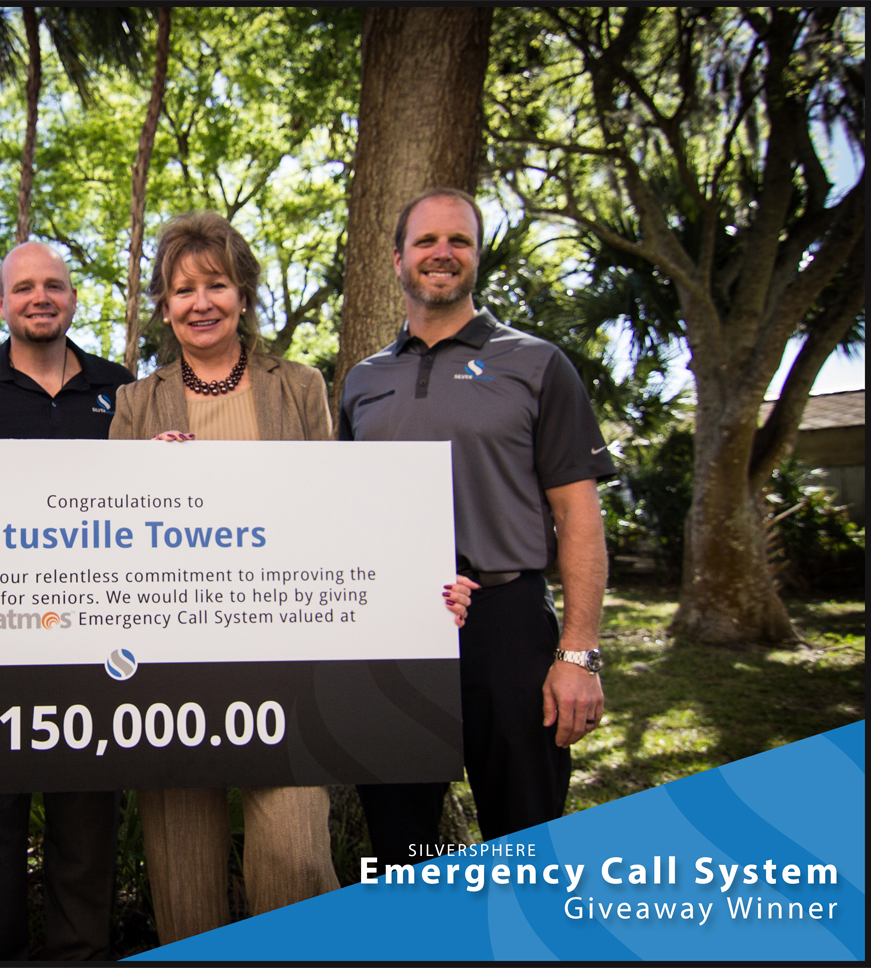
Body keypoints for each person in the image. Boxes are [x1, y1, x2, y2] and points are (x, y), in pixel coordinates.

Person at [108, 210, 474, 944]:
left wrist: (416, 586)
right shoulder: (135, 403)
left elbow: (340, 514)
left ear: (243, 294)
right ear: (165, 306)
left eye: (216, 284)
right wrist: (142, 476)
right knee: (183, 876)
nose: (201, 302)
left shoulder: (300, 386)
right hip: (170, 664)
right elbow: (106, 536)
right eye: (182, 290)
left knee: (295, 857)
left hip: (288, 662)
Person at [339, 187, 614, 862]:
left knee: (526, 842)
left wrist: (578, 655)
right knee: (400, 849)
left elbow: (578, 514)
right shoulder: (362, 381)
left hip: (507, 625)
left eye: (458, 240)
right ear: (397, 258)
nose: (442, 253)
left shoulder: (537, 363)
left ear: (477, 256)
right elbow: (347, 515)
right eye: (426, 241)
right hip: (395, 629)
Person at [0, 240, 136, 960]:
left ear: (73, 298)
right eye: (23, 288)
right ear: (1, 303)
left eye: (53, 285)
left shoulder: (119, 388)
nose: (39, 297)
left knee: (87, 825)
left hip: (95, 636)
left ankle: (82, 955)